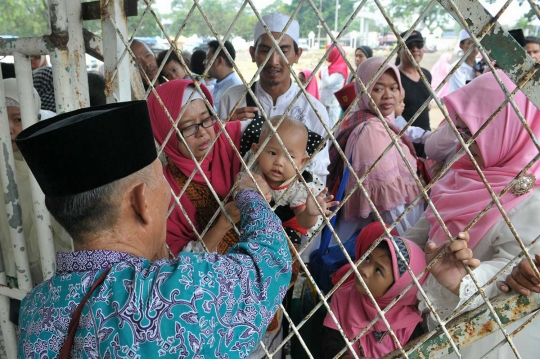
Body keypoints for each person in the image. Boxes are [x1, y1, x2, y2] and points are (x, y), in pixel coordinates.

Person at [16, 100, 292, 358]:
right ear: (141, 202)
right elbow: (269, 262)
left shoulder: (34, 308)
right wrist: (250, 195)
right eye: (162, 181)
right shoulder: (180, 293)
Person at [404, 70, 540, 358]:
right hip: (428, 322)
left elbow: (516, 270)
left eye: (475, 132)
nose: (464, 142)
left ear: (510, 128)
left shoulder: (532, 199)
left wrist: (464, 282)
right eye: (461, 130)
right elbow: (423, 230)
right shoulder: (464, 169)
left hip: (485, 338)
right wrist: (393, 253)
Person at [218, 13, 330, 183]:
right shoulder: (233, 99)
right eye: (265, 51)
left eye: (283, 51)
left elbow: (319, 174)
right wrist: (226, 129)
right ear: (252, 53)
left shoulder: (314, 110)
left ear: (297, 54)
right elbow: (216, 159)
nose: (273, 61)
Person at [328, 57, 423, 242]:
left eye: (393, 88)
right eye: (378, 89)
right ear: (364, 90)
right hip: (385, 240)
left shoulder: (370, 119)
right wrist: (411, 244)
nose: (388, 95)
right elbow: (387, 206)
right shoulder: (372, 131)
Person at [147, 79, 243, 255]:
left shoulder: (234, 139)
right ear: (166, 134)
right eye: (188, 127)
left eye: (206, 119)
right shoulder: (164, 190)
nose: (202, 132)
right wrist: (223, 224)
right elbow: (177, 261)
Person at [0, 78, 72, 286]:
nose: (9, 128)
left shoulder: (53, 156)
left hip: (55, 273)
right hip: (11, 273)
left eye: (18, 119)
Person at [322, 225, 428, 358]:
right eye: (367, 258)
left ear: (398, 288)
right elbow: (330, 345)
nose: (364, 270)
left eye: (378, 270)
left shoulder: (409, 326)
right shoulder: (343, 296)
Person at [244, 115, 336, 239]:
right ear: (256, 150)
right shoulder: (253, 163)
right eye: (272, 153)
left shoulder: (299, 186)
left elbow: (304, 222)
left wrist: (310, 213)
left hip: (284, 229)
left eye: (290, 157)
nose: (279, 162)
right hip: (253, 221)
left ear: (302, 162)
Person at [397, 29, 432, 158]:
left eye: (419, 45)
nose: (415, 49)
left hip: (425, 138)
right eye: (409, 46)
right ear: (399, 51)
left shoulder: (426, 75)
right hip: (403, 140)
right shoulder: (394, 77)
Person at [204, 40, 242, 111]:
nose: (204, 62)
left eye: (207, 58)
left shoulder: (236, 89)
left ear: (219, 61)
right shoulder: (218, 84)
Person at [319, 45, 348, 129]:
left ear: (334, 54)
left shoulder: (339, 70)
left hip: (331, 105)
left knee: (330, 129)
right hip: (324, 103)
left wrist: (324, 67)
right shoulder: (331, 67)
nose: (325, 55)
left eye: (327, 53)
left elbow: (327, 83)